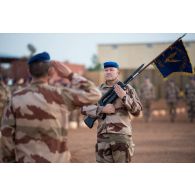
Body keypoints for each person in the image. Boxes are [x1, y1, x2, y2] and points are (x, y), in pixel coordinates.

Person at [0, 52, 101, 163]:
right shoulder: (61, 95)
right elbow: (95, 94)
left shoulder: (16, 98)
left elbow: (6, 136)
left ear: (29, 71)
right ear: (51, 72)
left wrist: (9, 162)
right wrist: (70, 75)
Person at [81, 61, 142, 163]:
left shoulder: (127, 89)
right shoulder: (97, 91)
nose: (108, 72)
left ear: (118, 73)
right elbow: (83, 108)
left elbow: (138, 111)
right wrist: (102, 109)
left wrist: (124, 97)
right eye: (106, 70)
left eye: (111, 70)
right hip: (102, 139)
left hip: (121, 137)